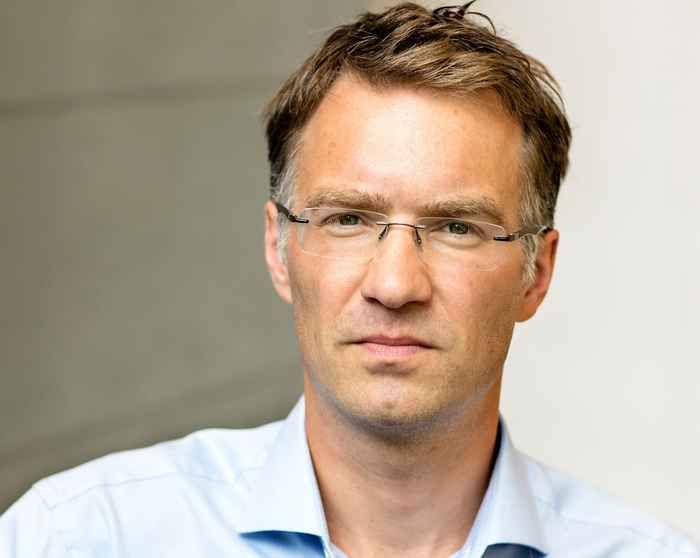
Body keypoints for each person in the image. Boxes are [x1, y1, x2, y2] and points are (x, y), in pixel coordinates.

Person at [1, 3, 698, 557]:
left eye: (457, 227)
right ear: (279, 247)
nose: (394, 285)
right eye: (348, 219)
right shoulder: (77, 539)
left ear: (535, 274)